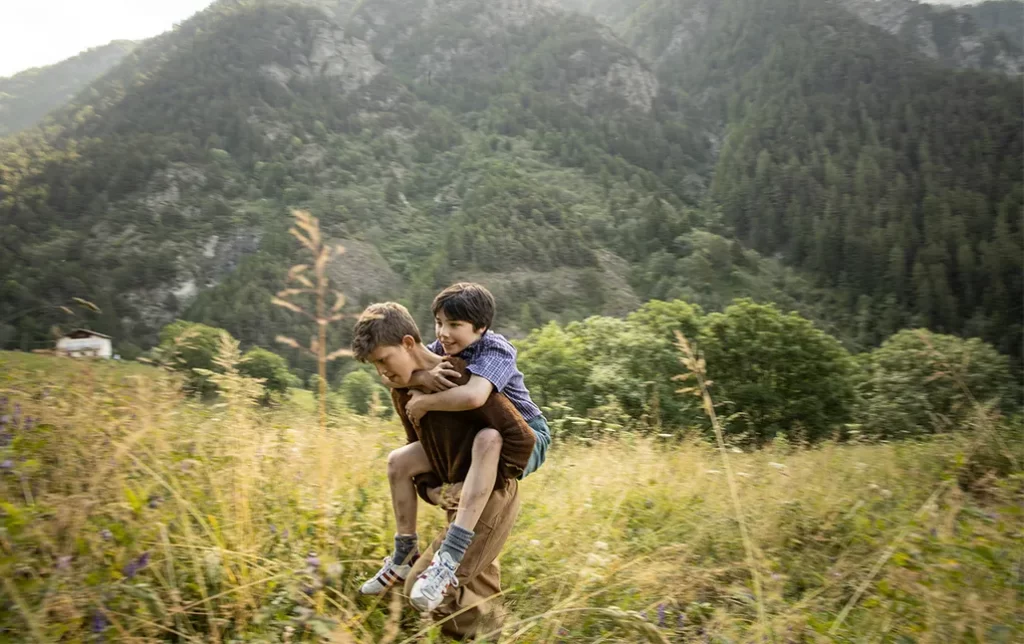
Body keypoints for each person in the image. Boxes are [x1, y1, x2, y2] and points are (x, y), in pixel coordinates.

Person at [351, 302, 535, 637]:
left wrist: (491, 477)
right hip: (459, 497)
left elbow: (521, 438)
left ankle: (500, 632)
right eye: (375, 365)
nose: (382, 373)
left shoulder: (463, 376)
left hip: (490, 492)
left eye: (383, 360)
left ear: (408, 343)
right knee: (475, 587)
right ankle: (496, 632)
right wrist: (432, 490)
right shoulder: (403, 389)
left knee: (423, 589)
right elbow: (418, 446)